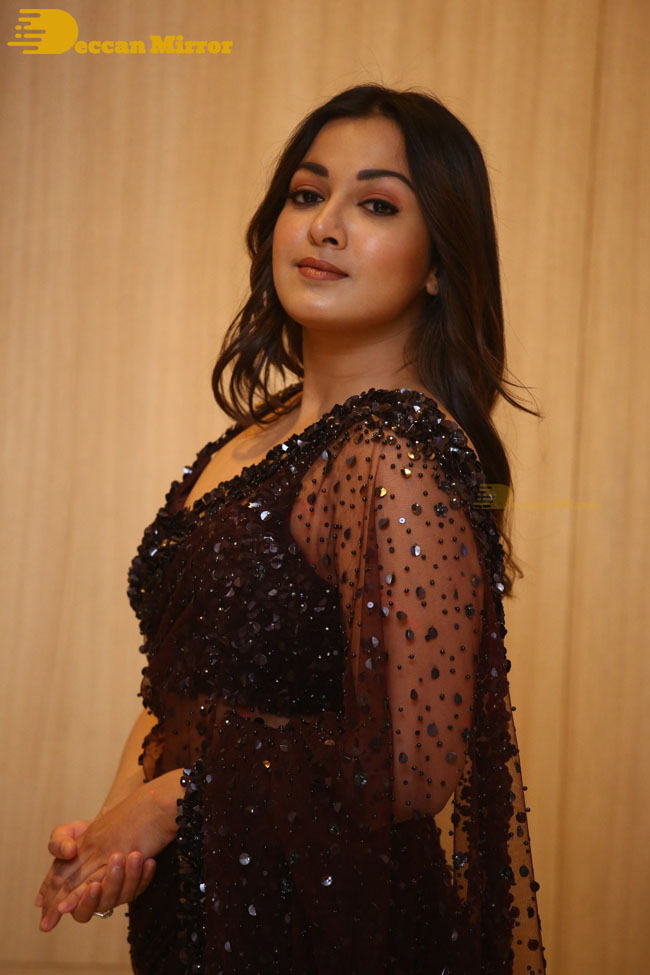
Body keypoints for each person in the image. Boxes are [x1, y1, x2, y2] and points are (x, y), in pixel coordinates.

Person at [35, 83, 547, 973]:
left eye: (376, 205)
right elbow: (182, 685)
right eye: (308, 194)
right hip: (204, 914)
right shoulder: (255, 437)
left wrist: (170, 803)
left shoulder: (396, 455)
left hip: (335, 932)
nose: (325, 225)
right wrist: (111, 834)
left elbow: (412, 770)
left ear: (438, 262)